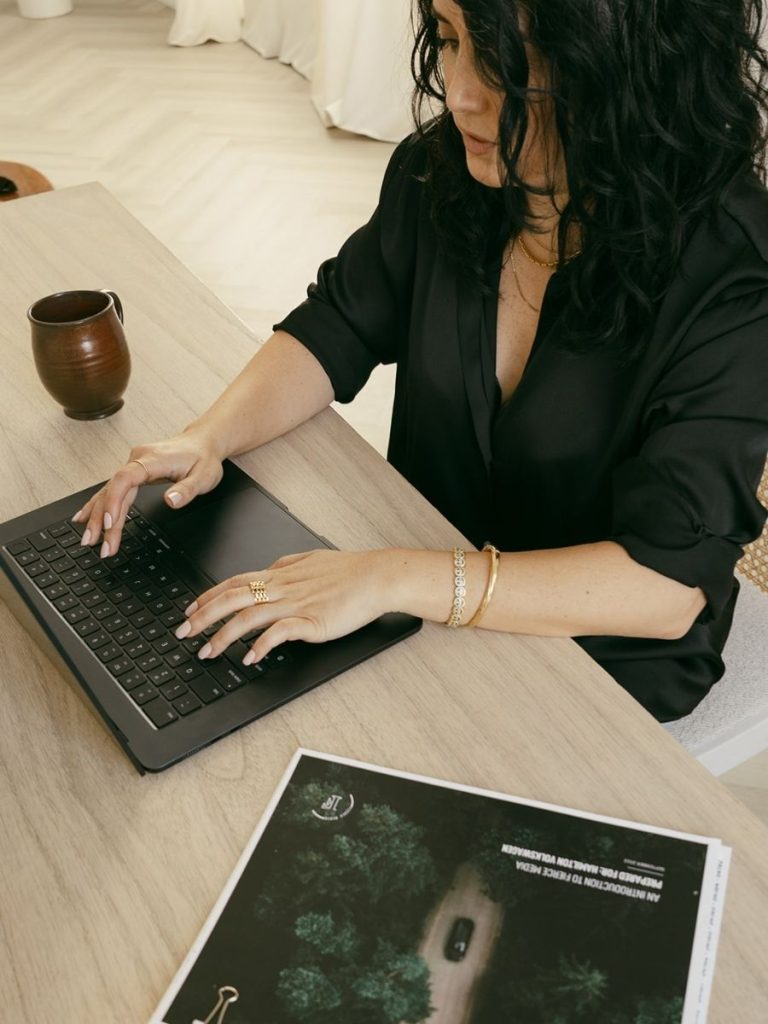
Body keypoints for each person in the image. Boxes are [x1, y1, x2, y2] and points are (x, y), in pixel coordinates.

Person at [74, 0, 768, 722]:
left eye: (502, 61)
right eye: (448, 38)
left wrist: (391, 577)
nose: (459, 90)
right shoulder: (447, 171)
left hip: (591, 666)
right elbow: (338, 324)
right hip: (416, 607)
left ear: (623, 68)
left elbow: (663, 588)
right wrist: (209, 437)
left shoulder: (735, 277)